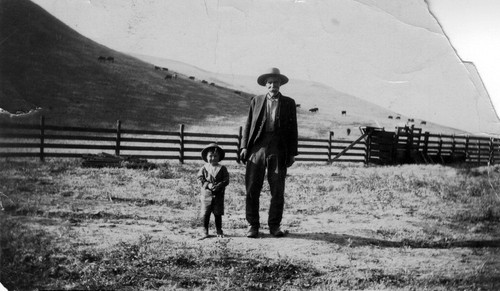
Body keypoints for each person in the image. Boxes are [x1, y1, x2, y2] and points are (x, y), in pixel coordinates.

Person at [240, 67, 298, 238]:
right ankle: (253, 225)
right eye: (270, 82)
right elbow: (248, 124)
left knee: (277, 189)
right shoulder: (256, 101)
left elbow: (293, 128)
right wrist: (244, 147)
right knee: (252, 187)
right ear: (266, 85)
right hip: (257, 148)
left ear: (281, 84)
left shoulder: (289, 103)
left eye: (276, 82)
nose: (273, 85)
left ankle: (274, 226)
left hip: (278, 149)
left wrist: (292, 152)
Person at [197, 143, 230, 239]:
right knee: (206, 213)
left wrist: (220, 185)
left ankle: (219, 230)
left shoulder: (222, 168)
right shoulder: (204, 168)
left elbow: (226, 180)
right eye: (210, 156)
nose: (213, 158)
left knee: (217, 213)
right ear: (206, 157)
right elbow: (200, 178)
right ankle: (205, 230)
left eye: (215, 156)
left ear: (219, 157)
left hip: (218, 194)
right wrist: (208, 185)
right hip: (206, 194)